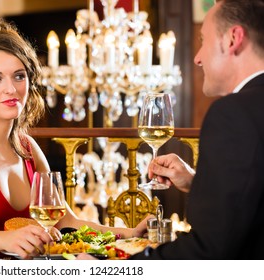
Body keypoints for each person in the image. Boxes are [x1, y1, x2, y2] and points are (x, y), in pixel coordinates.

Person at [0, 18, 148, 260]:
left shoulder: (28, 147)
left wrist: (128, 234)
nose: (11, 89)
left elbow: (66, 221)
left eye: (19, 76)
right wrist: (4, 239)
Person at [78, 0, 264, 260]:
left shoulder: (232, 113)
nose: (198, 58)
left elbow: (209, 251)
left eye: (204, 40)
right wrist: (197, 182)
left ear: (233, 38)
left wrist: (119, 270)